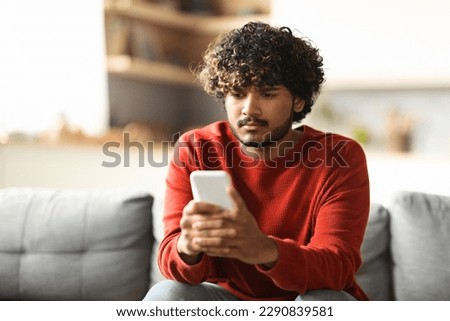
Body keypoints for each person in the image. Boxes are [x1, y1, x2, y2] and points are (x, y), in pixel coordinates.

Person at [143, 21, 370, 301]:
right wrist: (187, 247)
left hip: (305, 299)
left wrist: (264, 250)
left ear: (298, 100)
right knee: (168, 294)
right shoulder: (196, 148)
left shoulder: (340, 156)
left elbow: (338, 268)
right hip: (229, 302)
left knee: (329, 301)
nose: (249, 109)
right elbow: (172, 262)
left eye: (268, 93)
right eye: (237, 93)